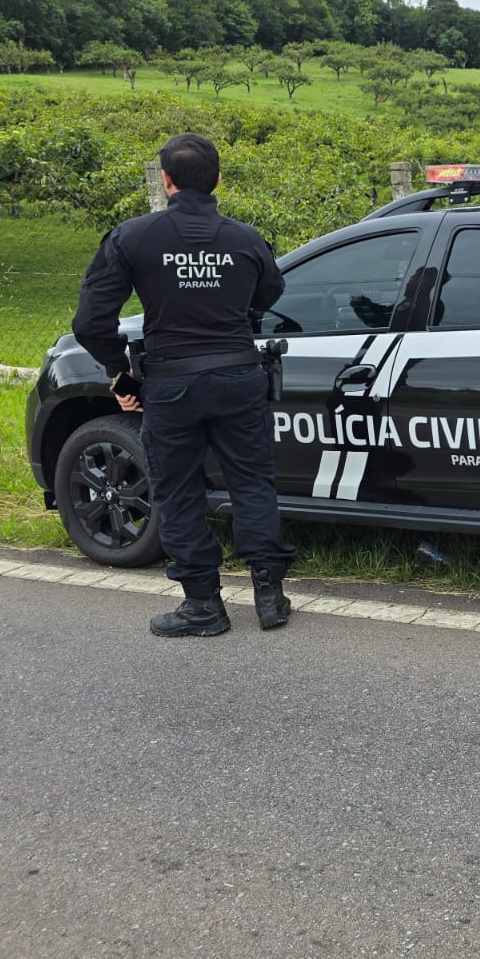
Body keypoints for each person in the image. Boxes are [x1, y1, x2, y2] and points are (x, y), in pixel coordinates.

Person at [72, 132, 296, 638]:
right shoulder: (246, 239)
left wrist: (121, 372)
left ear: (166, 180)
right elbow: (268, 293)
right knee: (252, 482)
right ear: (218, 179)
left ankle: (203, 606)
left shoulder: (132, 237)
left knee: (177, 491)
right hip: (240, 378)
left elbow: (90, 322)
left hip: (171, 385)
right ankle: (270, 597)